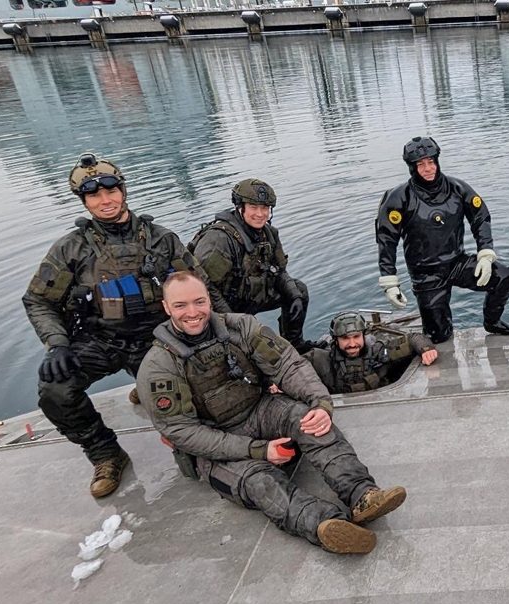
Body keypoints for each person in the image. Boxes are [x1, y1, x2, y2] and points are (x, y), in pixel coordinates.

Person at [136, 272, 407, 554]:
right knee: (259, 481)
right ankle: (325, 525)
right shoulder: (158, 367)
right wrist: (258, 450)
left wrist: (320, 403)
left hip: (260, 408)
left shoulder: (241, 327)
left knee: (309, 420)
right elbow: (183, 432)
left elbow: (288, 364)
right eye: (180, 306)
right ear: (166, 308)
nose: (192, 312)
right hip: (215, 442)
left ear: (209, 300)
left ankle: (362, 494)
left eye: (199, 301)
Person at [24, 152, 226, 498]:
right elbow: (38, 299)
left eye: (111, 191)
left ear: (123, 190)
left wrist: (227, 329)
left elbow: (201, 286)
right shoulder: (71, 249)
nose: (105, 201)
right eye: (94, 195)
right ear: (84, 200)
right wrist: (56, 343)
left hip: (158, 340)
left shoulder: (162, 240)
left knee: (211, 406)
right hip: (99, 340)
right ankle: (105, 453)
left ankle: (146, 384)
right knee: (55, 390)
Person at [376, 136, 509, 344]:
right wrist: (389, 281)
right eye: (420, 164)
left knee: (504, 277)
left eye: (431, 162)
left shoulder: (457, 188)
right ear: (411, 167)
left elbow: (481, 218)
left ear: (437, 161)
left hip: (457, 262)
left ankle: (493, 322)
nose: (427, 168)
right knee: (439, 337)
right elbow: (386, 240)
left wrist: (485, 254)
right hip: (426, 274)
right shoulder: (399, 197)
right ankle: (437, 329)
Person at [189, 179, 311, 351]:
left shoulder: (269, 234)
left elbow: (279, 271)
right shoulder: (219, 239)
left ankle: (294, 345)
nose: (260, 214)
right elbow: (204, 286)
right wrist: (233, 319)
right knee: (245, 347)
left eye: (265, 208)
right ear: (240, 207)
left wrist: (294, 296)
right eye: (254, 207)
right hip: (221, 305)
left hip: (249, 295)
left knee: (299, 290)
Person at [305, 310, 438, 393]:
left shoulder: (379, 352)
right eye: (345, 338)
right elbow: (292, 367)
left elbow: (413, 338)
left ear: (363, 335)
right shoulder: (321, 360)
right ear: (335, 340)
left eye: (356, 337)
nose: (352, 344)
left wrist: (426, 349)